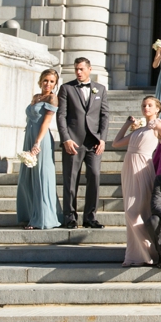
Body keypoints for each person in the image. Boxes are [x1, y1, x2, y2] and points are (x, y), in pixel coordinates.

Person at [113, 96, 161, 268]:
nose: (146, 107)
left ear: (157, 109)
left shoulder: (158, 125)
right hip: (129, 170)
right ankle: (136, 256)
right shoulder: (139, 129)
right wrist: (127, 125)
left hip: (143, 169)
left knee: (136, 213)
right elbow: (116, 143)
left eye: (150, 105)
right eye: (144, 105)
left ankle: (150, 251)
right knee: (130, 212)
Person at [56, 57, 110, 229]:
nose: (78, 72)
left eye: (81, 69)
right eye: (76, 69)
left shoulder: (100, 89)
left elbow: (104, 116)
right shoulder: (66, 88)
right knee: (71, 180)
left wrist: (102, 138)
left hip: (94, 142)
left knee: (94, 176)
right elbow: (61, 116)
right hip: (73, 142)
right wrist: (66, 138)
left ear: (89, 69)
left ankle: (90, 217)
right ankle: (70, 217)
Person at [16, 69, 63, 230]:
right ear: (40, 81)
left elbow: (46, 122)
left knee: (42, 177)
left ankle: (42, 218)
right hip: (29, 137)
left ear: (55, 84)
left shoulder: (52, 98)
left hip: (41, 140)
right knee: (26, 178)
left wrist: (37, 143)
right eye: (45, 80)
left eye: (51, 82)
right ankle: (29, 215)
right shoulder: (36, 97)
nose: (48, 84)